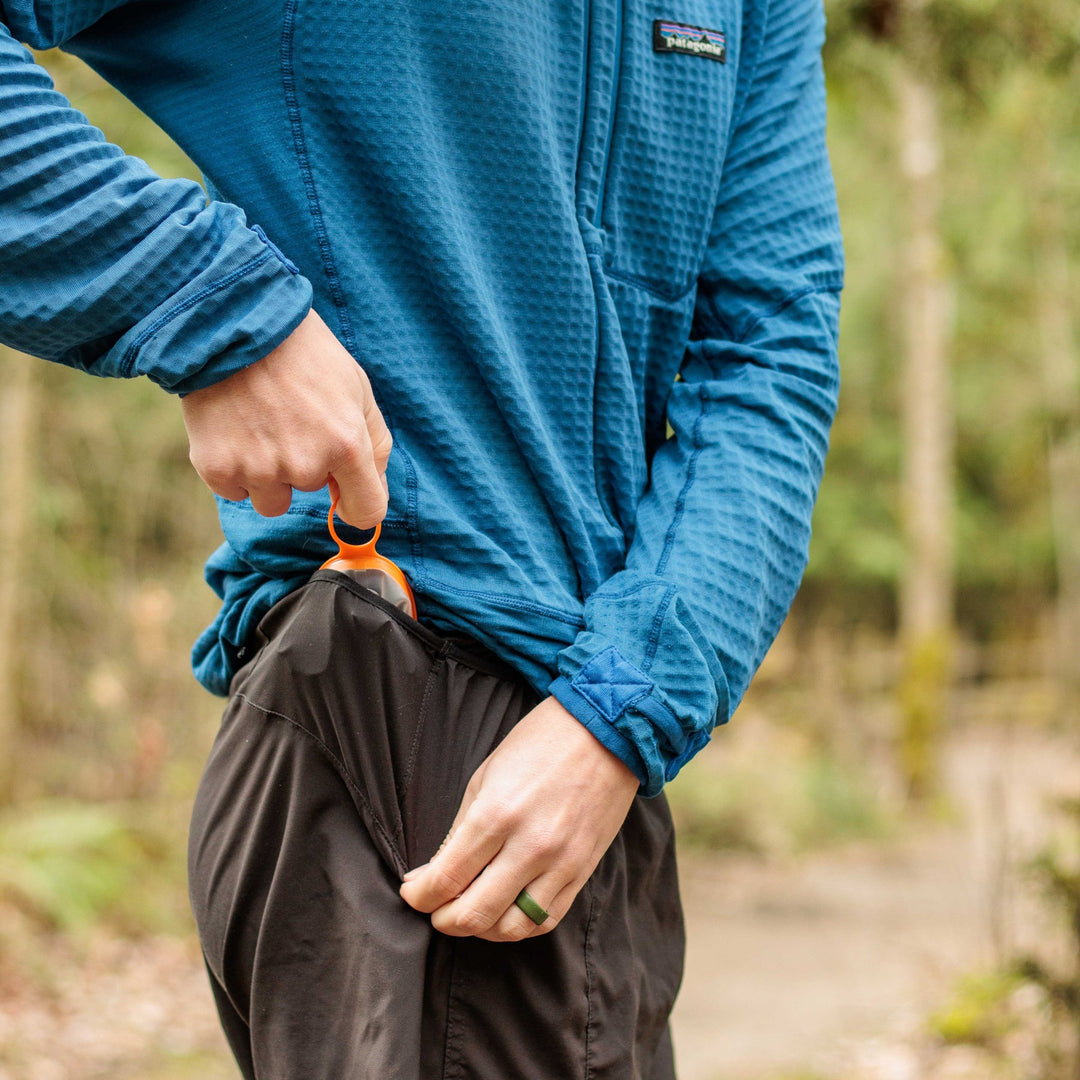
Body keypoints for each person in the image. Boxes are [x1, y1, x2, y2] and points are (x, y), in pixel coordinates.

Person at [0, 0, 843, 1076]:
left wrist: (622, 709)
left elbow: (772, 351)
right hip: (390, 701)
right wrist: (210, 306)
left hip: (593, 784)